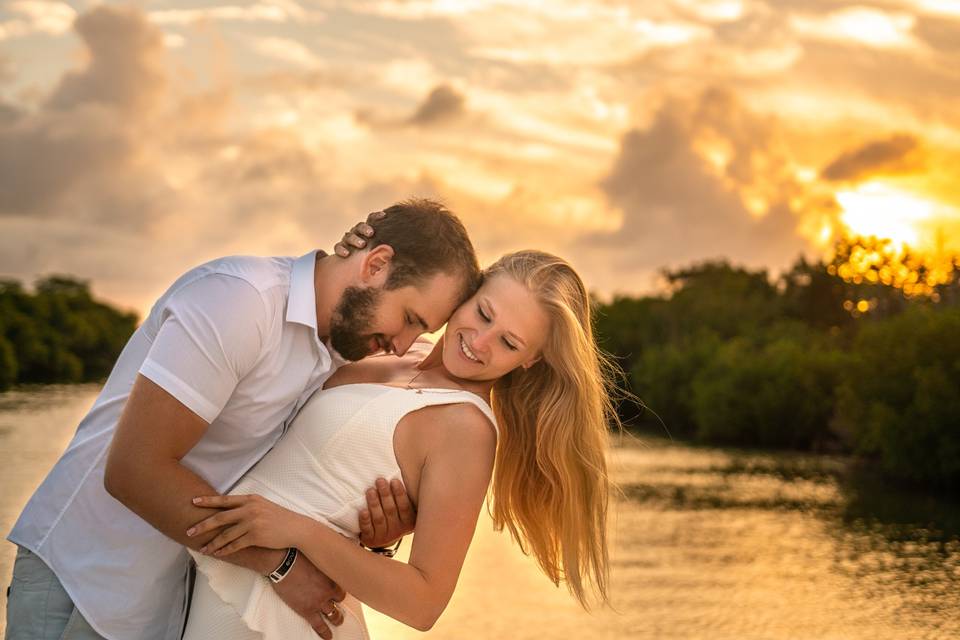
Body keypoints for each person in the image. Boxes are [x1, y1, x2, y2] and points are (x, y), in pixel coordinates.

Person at [4, 199, 480, 640]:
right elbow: (134, 470)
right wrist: (282, 566)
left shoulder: (340, 352)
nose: (403, 343)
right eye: (411, 318)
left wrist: (376, 541)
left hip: (171, 602)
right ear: (375, 264)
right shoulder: (239, 301)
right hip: (85, 582)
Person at [180, 249, 619, 638]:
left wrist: (298, 530)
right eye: (484, 313)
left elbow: (423, 604)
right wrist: (375, 545)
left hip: (277, 613)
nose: (479, 342)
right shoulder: (399, 349)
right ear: (469, 291)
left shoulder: (466, 429)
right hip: (228, 572)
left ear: (532, 359)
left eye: (508, 342)